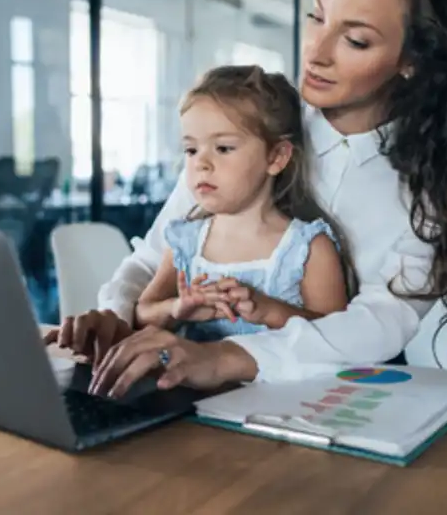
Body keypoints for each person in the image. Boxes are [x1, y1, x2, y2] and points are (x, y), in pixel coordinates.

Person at [47, 0, 447, 398]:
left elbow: (382, 321)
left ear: (411, 62)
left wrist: (224, 358)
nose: (316, 52)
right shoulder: (248, 128)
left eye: (355, 40)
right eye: (317, 17)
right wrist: (115, 316)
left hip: (336, 406)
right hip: (192, 392)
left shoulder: (433, 181)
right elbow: (158, 252)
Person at [135, 66, 349, 343]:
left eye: (223, 148)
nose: (201, 163)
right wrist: (177, 309)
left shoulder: (308, 248)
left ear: (276, 157)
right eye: (191, 149)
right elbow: (143, 313)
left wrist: (269, 310)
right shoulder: (184, 241)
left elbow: (341, 340)